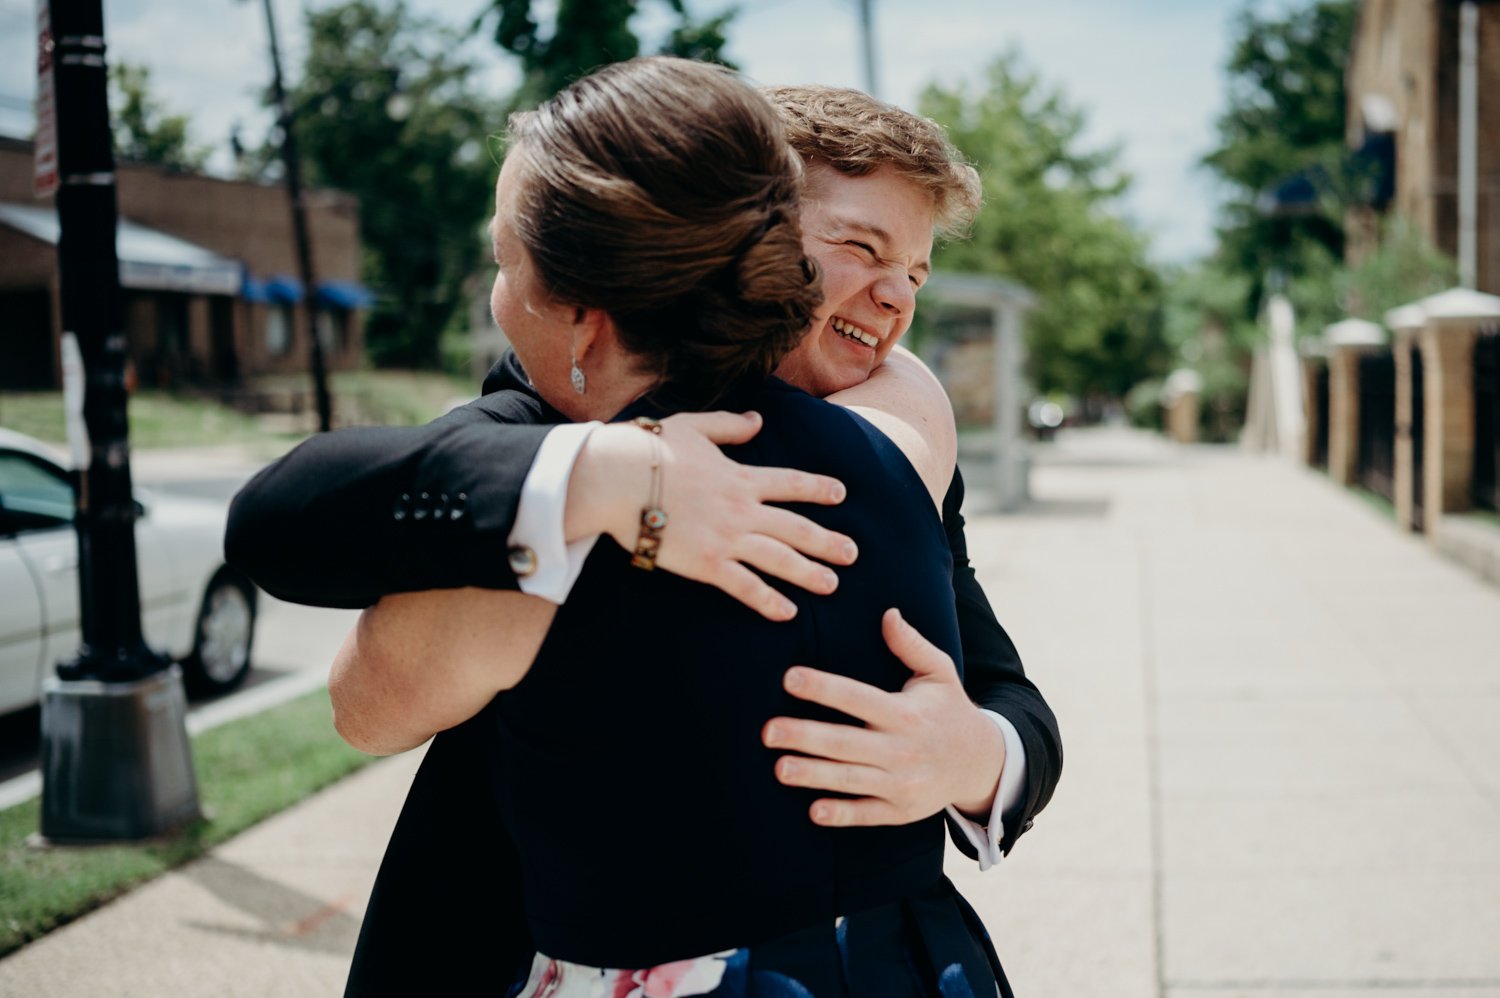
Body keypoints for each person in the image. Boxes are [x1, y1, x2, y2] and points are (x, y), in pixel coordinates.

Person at [225, 75, 1060, 996]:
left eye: (915, 272)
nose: (896, 300)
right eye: (861, 248)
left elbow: (1003, 689)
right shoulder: (545, 420)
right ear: (754, 240)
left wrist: (980, 757)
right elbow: (305, 528)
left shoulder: (902, 431)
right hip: (515, 934)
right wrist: (615, 476)